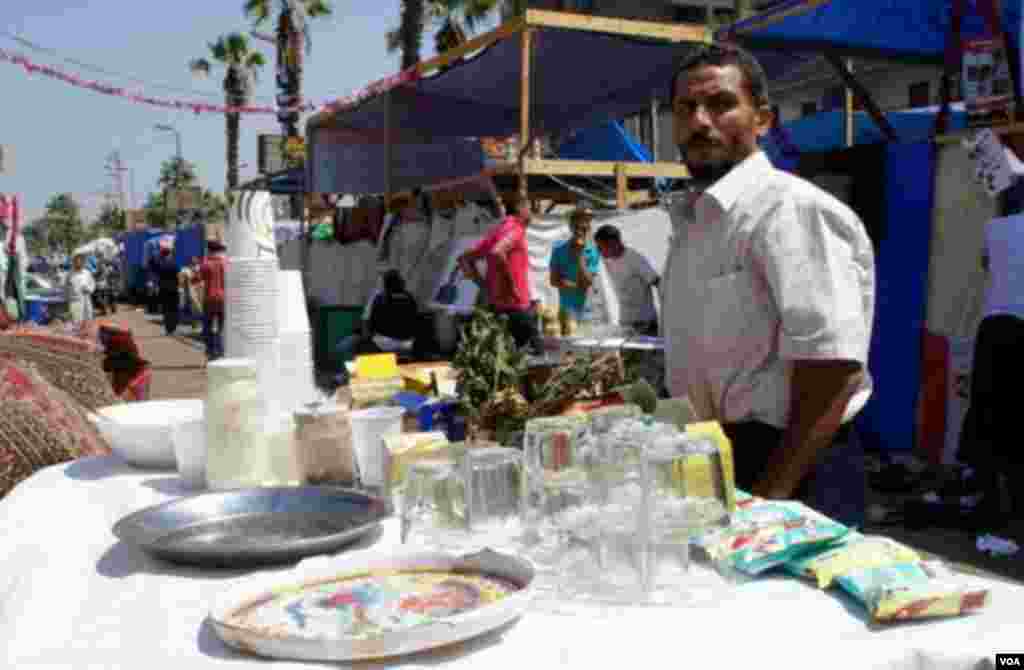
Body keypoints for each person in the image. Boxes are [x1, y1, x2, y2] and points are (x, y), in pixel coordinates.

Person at [662, 44, 875, 527]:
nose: (699, 121)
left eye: (719, 104)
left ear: (762, 119)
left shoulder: (791, 211)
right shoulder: (693, 222)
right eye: (685, 108)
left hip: (795, 469)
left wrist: (770, 502)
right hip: (722, 460)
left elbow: (831, 367)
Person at [456, 194, 539, 351]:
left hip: (497, 307)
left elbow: (464, 259)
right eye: (529, 208)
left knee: (508, 358)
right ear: (520, 209)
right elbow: (497, 251)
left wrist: (483, 284)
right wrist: (510, 284)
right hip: (517, 305)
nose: (531, 212)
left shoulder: (497, 231)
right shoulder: (516, 229)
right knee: (537, 359)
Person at [594, 224, 660, 336]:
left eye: (601, 247)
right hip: (625, 323)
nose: (598, 251)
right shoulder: (608, 260)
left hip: (646, 324)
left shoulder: (634, 258)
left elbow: (658, 282)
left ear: (613, 243)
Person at [549, 208, 601, 337]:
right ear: (571, 226)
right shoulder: (558, 249)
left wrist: (579, 255)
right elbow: (554, 281)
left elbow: (588, 282)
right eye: (578, 226)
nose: (581, 231)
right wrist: (578, 285)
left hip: (588, 312)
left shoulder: (593, 250)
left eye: (585, 227)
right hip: (566, 312)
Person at [197, 240, 227, 359]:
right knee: (222, 326)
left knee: (207, 326)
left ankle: (210, 351)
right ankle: (220, 350)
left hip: (209, 298)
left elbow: (198, 278)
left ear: (209, 250)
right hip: (224, 299)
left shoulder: (206, 264)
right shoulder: (226, 263)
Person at [65, 253, 95, 324]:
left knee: (88, 319)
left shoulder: (87, 273)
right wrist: (69, 297)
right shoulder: (69, 274)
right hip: (75, 301)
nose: (79, 263)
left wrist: (89, 289)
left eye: (81, 261)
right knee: (77, 321)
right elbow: (65, 288)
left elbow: (92, 284)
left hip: (86, 299)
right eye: (76, 261)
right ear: (74, 262)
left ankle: (87, 333)